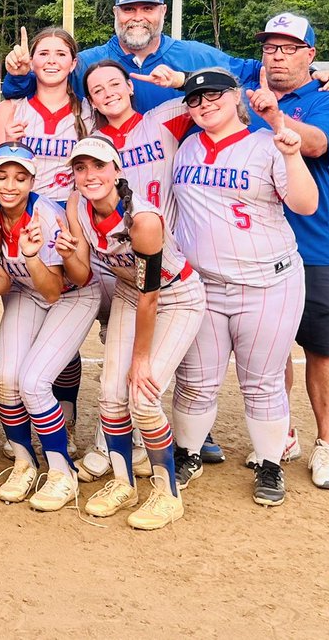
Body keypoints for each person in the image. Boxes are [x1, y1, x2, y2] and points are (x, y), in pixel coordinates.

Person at [167, 69, 318, 508]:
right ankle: (188, 453)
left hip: (268, 282)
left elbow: (305, 205)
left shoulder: (267, 143)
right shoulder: (186, 147)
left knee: (263, 382)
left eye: (214, 96)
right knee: (195, 380)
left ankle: (269, 462)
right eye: (195, 100)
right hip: (204, 286)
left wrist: (291, 154)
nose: (204, 105)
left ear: (236, 97)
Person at [0, 142, 100, 510]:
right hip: (26, 291)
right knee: (8, 378)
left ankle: (62, 471)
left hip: (70, 295)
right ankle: (25, 460)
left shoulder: (44, 215)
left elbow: (54, 289)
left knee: (34, 381)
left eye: (20, 177)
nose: (10, 185)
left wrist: (29, 255)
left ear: (33, 180)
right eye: (2, 176)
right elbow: (1, 278)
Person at [62, 136, 206, 529]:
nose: (90, 175)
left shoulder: (142, 220)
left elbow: (151, 297)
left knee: (142, 396)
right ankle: (123, 482)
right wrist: (66, 253)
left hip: (174, 295)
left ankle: (166, 494)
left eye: (98, 166)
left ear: (116, 170)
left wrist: (139, 360)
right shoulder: (78, 205)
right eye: (81, 168)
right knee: (111, 393)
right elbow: (84, 271)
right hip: (129, 292)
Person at [76, 59, 195, 478]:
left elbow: (224, 96)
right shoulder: (92, 146)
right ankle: (115, 445)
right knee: (116, 375)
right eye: (96, 89)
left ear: (130, 86)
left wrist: (181, 78)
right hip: (123, 272)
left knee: (143, 376)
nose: (107, 92)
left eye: (114, 83)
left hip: (168, 265)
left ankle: (151, 452)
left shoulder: (163, 119)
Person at [248, 15, 329, 489]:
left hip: (314, 245)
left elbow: (316, 143)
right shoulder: (247, 94)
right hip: (259, 248)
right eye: (271, 47)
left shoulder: (327, 102)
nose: (279, 55)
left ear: (311, 55)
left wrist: (275, 117)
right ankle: (282, 433)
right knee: (271, 352)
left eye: (290, 48)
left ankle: (326, 444)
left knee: (322, 350)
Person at [0, 0, 329, 109]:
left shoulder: (192, 54)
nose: (137, 16)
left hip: (177, 182)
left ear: (162, 11)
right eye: (129, 8)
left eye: (147, 8)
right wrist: (18, 75)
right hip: (105, 182)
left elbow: (257, 70)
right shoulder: (88, 61)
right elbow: (30, 96)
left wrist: (314, 73)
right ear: (116, 13)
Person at [0, 26, 91, 453]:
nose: (50, 60)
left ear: (73, 63)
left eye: (59, 53)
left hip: (70, 222)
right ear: (31, 62)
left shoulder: (88, 109)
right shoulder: (12, 109)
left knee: (64, 335)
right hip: (21, 220)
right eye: (42, 53)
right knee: (17, 360)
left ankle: (63, 422)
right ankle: (24, 453)